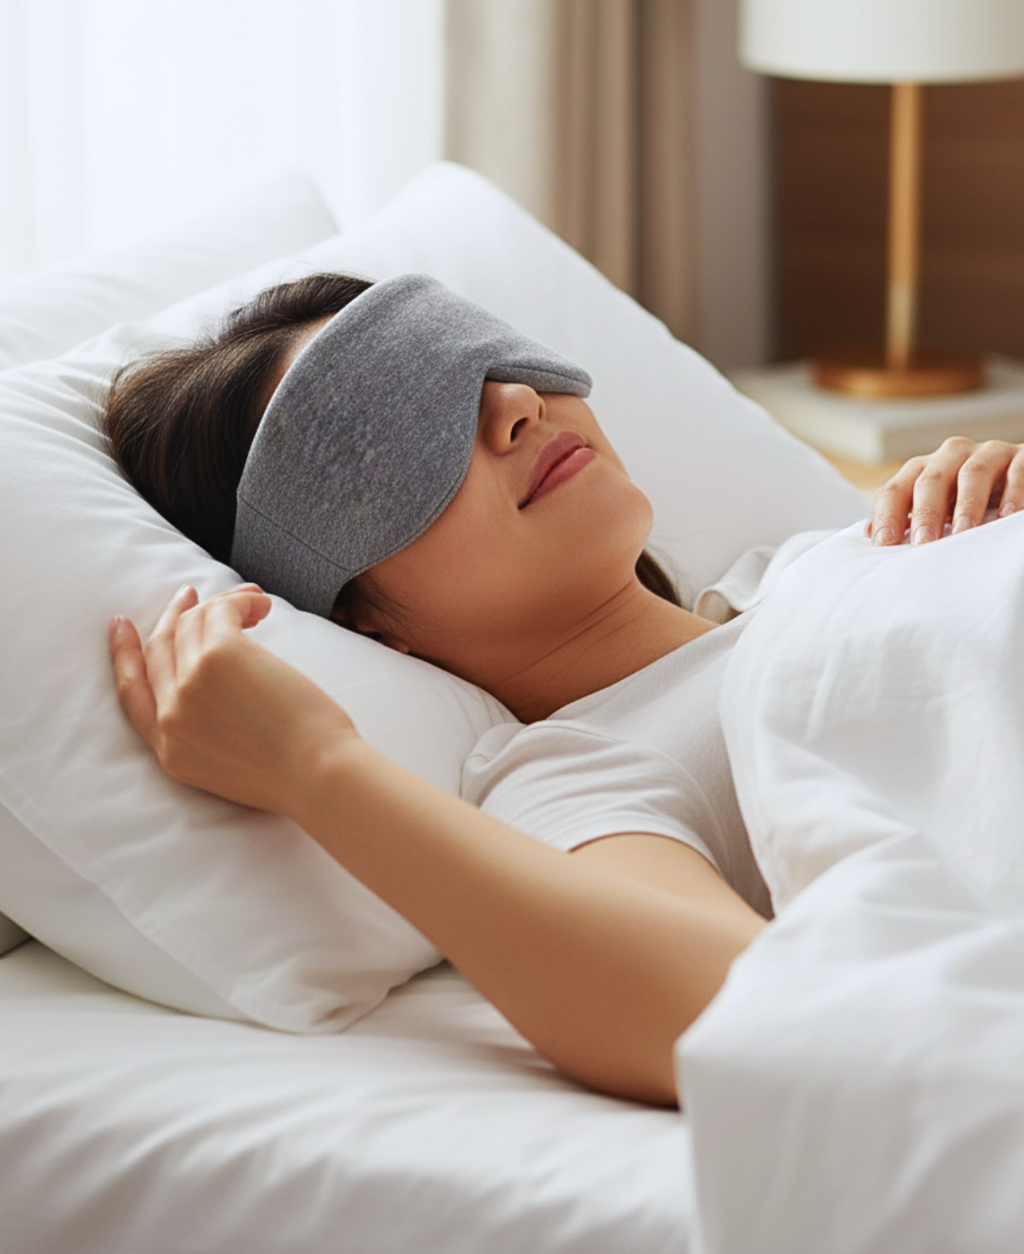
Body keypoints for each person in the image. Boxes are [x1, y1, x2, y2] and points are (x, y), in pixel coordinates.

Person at [106, 272, 1024, 1106]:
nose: (514, 404)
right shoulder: (581, 768)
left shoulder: (814, 564)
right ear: (358, 621)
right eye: (399, 438)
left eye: (482, 364)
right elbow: (741, 1006)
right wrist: (315, 767)